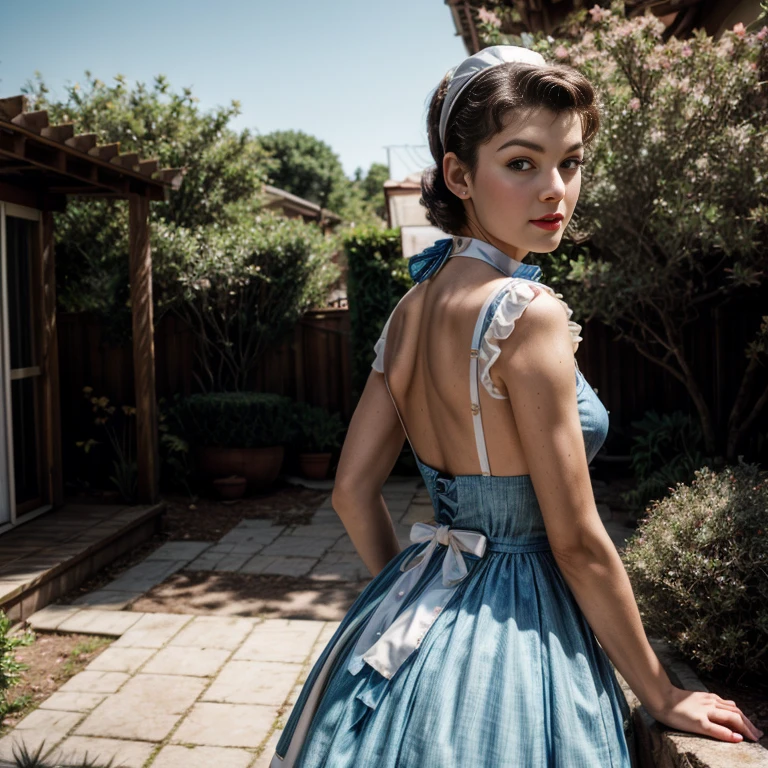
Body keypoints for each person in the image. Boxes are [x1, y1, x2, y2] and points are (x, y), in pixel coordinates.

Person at [270, 45, 763, 767]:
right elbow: (576, 541)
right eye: (522, 162)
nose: (555, 190)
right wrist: (659, 693)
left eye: (572, 162)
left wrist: (402, 598)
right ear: (459, 175)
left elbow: (351, 491)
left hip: (413, 608)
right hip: (521, 623)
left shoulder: (409, 309)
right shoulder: (525, 312)